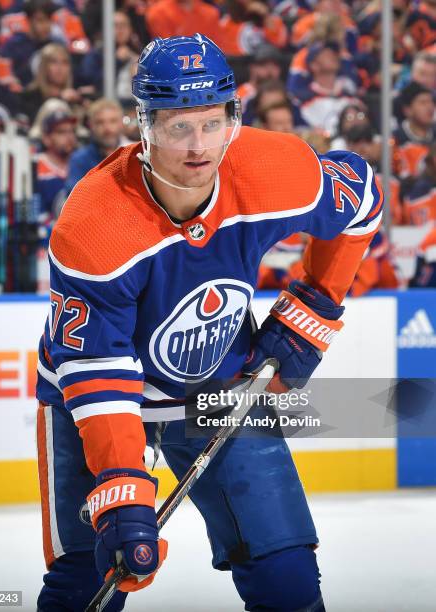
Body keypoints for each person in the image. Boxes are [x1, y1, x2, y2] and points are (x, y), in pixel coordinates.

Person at [35, 33, 383, 612]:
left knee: (287, 574)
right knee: (89, 579)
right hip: (94, 401)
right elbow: (98, 371)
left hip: (219, 389)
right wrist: (122, 489)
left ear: (232, 118)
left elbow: (362, 196)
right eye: (176, 127)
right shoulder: (94, 223)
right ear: (143, 127)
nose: (199, 147)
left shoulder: (271, 170)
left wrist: (313, 308)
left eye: (212, 122)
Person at [66, 98, 131, 193]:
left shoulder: (135, 153)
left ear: (121, 123)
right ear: (91, 125)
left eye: (112, 121)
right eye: (100, 122)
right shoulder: (79, 159)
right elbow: (74, 196)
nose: (107, 128)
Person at [393, 81, 436, 181]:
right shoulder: (395, 139)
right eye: (423, 103)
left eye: (431, 102)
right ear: (407, 110)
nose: (430, 107)